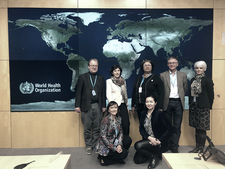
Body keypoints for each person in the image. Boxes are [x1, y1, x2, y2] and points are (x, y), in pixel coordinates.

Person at [75, 58, 106, 155]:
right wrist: (77, 105)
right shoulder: (82, 77)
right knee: (87, 128)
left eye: (96, 65)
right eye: (92, 65)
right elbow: (78, 92)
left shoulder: (101, 78)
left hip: (98, 105)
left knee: (97, 128)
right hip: (85, 107)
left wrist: (104, 106)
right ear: (88, 66)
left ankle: (95, 144)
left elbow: (103, 93)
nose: (94, 67)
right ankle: (88, 146)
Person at [133, 95, 173, 169]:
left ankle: (154, 156)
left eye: (151, 102)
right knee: (137, 160)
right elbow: (141, 129)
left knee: (137, 145)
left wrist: (159, 141)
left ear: (155, 103)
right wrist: (149, 138)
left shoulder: (160, 114)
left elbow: (170, 129)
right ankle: (153, 155)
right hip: (148, 140)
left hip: (158, 141)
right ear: (145, 103)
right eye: (147, 102)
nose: (149, 103)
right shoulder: (143, 113)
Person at [160, 57, 187, 153]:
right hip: (167, 102)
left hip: (178, 102)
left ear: (177, 64)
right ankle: (166, 145)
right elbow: (161, 90)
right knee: (167, 126)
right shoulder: (162, 75)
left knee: (177, 126)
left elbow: (184, 88)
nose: (172, 64)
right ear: (167, 64)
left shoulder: (183, 75)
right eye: (170, 63)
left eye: (173, 63)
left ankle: (174, 146)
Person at [95, 101, 132, 166]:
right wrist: (114, 148)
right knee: (124, 154)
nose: (114, 109)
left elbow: (120, 132)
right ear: (108, 110)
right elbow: (103, 137)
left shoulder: (119, 119)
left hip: (115, 140)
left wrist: (119, 145)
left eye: (115, 107)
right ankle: (103, 158)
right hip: (106, 144)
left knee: (128, 140)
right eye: (112, 108)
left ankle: (115, 157)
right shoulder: (106, 120)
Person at [189, 61, 214, 153]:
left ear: (204, 69)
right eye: (197, 68)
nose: (198, 70)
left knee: (202, 128)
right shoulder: (193, 80)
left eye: (200, 68)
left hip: (203, 107)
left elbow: (211, 94)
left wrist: (209, 106)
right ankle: (197, 146)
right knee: (196, 127)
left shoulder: (207, 80)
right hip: (194, 106)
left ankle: (201, 148)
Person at [106, 64, 130, 136]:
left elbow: (125, 94)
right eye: (115, 71)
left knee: (126, 124)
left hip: (123, 104)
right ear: (112, 72)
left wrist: (127, 105)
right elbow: (108, 95)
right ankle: (113, 143)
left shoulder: (123, 81)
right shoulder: (109, 81)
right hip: (114, 105)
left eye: (118, 70)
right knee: (114, 124)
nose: (117, 72)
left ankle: (125, 142)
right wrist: (112, 107)